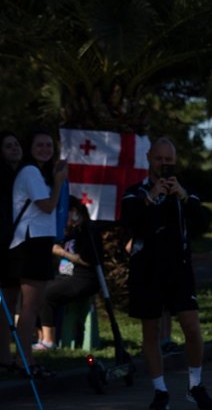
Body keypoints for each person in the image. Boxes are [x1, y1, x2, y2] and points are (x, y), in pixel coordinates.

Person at [120, 137, 212, 410]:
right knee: (150, 331)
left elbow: (203, 221)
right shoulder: (135, 192)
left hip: (179, 269)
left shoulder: (184, 193)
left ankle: (195, 385)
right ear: (149, 159)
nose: (164, 165)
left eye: (169, 160)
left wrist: (183, 196)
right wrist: (151, 197)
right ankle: (160, 391)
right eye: (160, 159)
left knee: (191, 327)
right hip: (146, 270)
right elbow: (128, 221)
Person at [9, 130, 68, 378]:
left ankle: (25, 360)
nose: (44, 149)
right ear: (29, 147)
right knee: (30, 309)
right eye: (39, 144)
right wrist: (58, 182)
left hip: (38, 242)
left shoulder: (39, 173)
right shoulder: (31, 172)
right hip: (30, 243)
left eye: (48, 145)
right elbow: (46, 205)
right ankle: (25, 362)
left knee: (32, 306)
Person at [34, 197, 101, 350]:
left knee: (46, 293)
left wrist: (62, 252)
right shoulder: (68, 232)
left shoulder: (87, 232)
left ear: (74, 212)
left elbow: (88, 260)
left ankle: (49, 340)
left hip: (83, 278)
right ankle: (40, 336)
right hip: (65, 275)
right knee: (35, 290)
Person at [0, 131, 23, 372]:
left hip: (18, 243)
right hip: (5, 242)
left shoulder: (26, 173)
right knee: (6, 301)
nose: (14, 148)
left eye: (17, 144)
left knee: (13, 299)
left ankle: (9, 354)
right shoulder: (4, 177)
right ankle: (4, 355)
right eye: (8, 146)